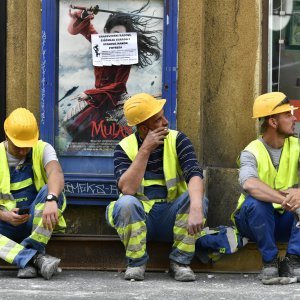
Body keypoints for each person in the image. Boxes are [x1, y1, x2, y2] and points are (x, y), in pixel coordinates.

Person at [106, 93, 206, 282]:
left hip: (171, 215)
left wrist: (196, 207)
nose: (166, 121)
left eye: (163, 116)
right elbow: (127, 189)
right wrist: (145, 149)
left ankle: (180, 263)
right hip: (142, 219)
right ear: (144, 128)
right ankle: (136, 263)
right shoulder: (124, 147)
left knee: (197, 197)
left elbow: (194, 173)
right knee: (126, 203)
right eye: (159, 119)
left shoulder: (178, 140)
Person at [64, 2, 161, 141]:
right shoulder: (99, 44)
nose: (119, 39)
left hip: (115, 97)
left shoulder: (126, 57)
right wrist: (84, 15)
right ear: (107, 33)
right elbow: (75, 30)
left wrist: (90, 93)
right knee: (71, 122)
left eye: (123, 35)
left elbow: (119, 86)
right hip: (96, 98)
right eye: (115, 34)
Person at [232, 92, 300, 285]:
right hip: (253, 222)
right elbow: (249, 183)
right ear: (273, 122)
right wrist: (286, 198)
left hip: (286, 221)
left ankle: (293, 260)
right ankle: (269, 261)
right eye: (288, 115)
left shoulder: (297, 146)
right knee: (257, 203)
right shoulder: (251, 151)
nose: (294, 118)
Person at [0, 108, 67, 279]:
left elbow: (56, 173)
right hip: (6, 225)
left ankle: (29, 254)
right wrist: (5, 216)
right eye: (18, 147)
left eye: (27, 147)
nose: (23, 151)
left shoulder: (43, 148)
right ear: (7, 136)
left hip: (36, 223)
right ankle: (34, 258)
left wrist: (51, 199)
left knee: (50, 191)